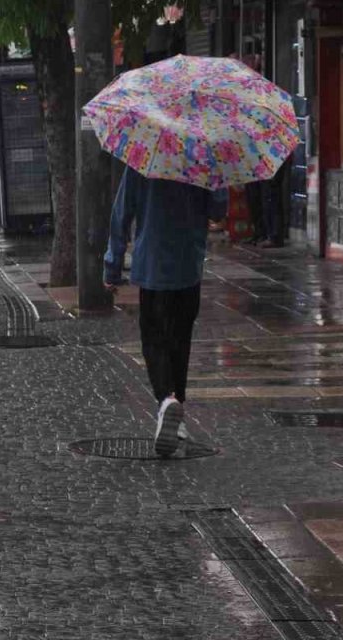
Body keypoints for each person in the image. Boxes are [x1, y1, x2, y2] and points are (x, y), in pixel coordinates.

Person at [104, 167, 227, 457]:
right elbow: (218, 210)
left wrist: (112, 264)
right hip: (189, 264)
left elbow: (121, 213)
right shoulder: (202, 158)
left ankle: (166, 400)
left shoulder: (144, 159)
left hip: (152, 264)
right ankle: (176, 412)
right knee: (179, 342)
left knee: (154, 340)